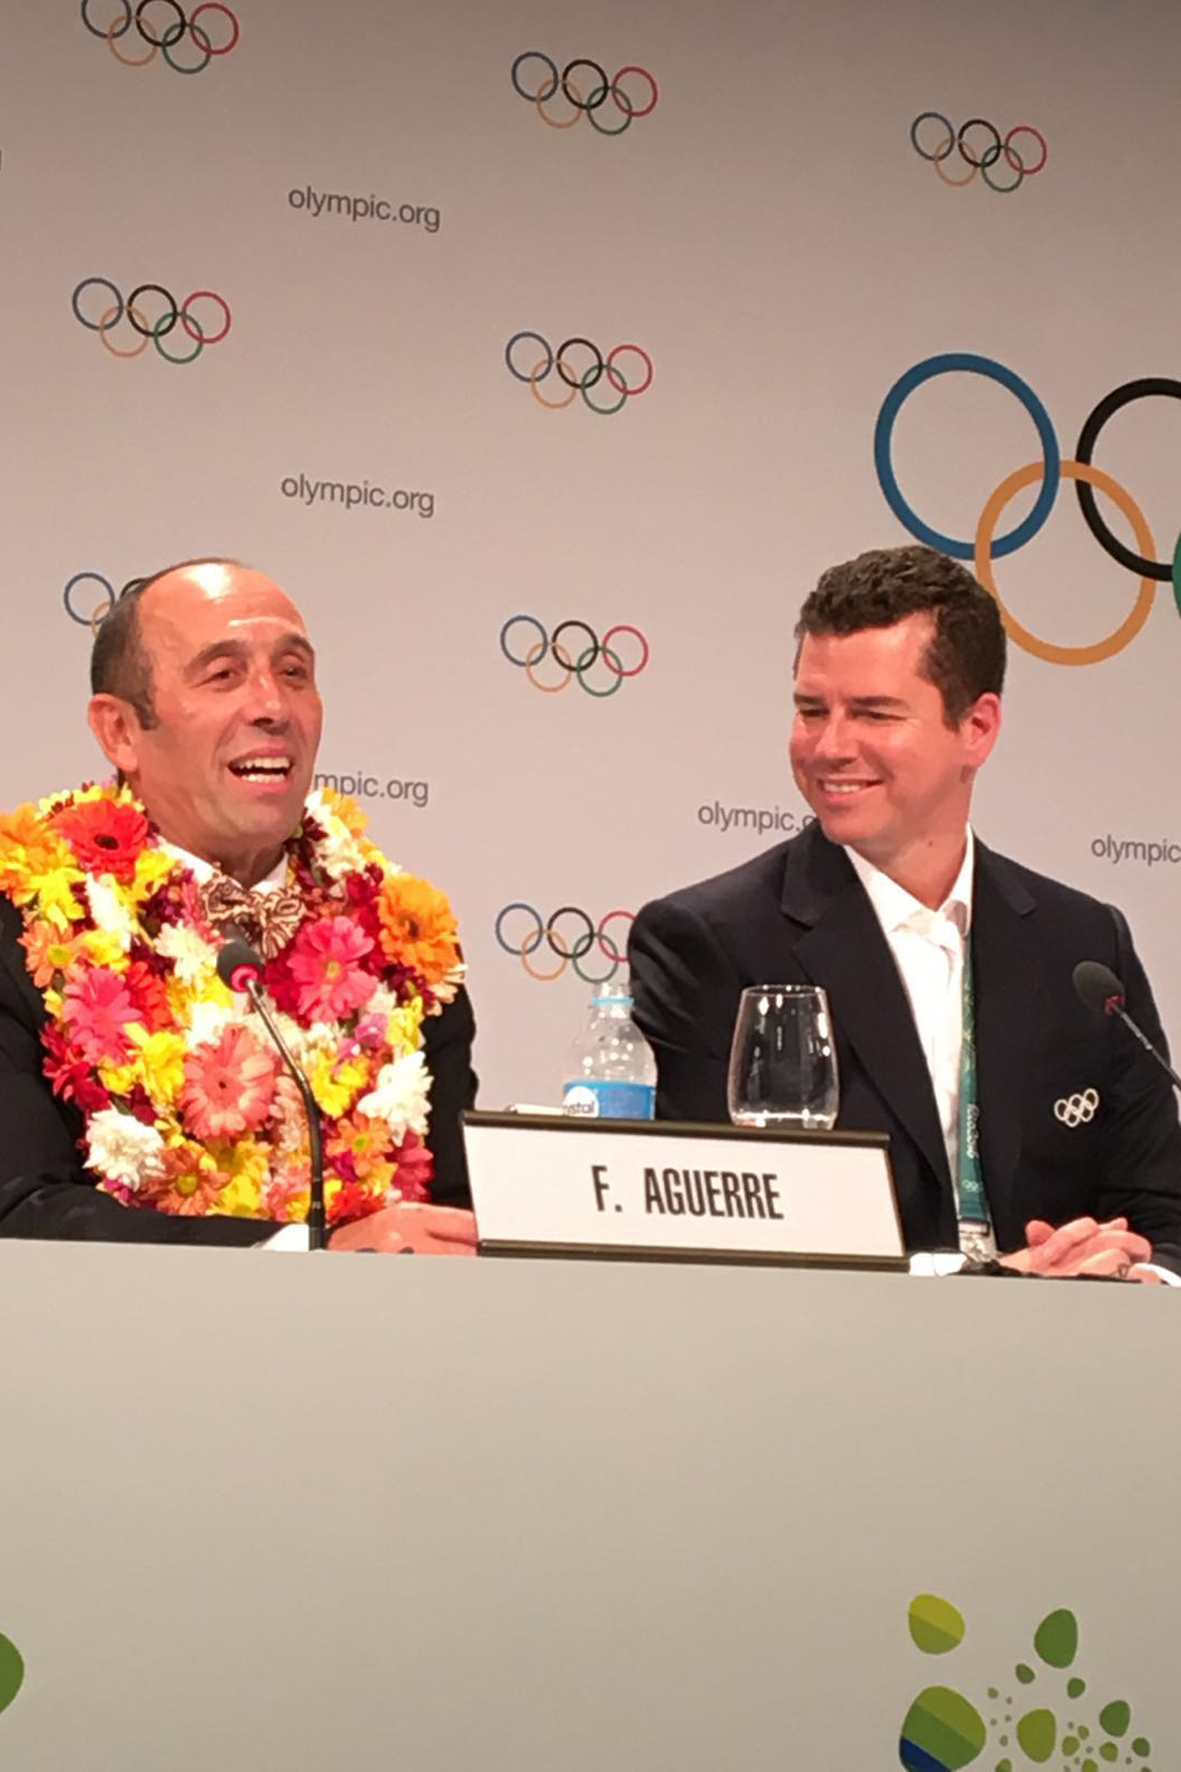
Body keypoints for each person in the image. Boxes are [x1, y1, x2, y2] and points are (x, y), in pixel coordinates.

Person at [628, 545, 1181, 1280]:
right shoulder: (707, 942)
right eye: (809, 711)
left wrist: (1133, 1267)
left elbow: (1162, 1220)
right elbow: (713, 1233)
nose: (828, 747)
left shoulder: (1081, 944)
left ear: (976, 728)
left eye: (873, 714)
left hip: (1064, 1376)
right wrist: (997, 1284)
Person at [0, 559, 477, 1254]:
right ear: (121, 732)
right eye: (222, 675)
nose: (272, 707)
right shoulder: (21, 916)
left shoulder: (403, 935)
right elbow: (19, 1208)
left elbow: (453, 1207)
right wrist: (307, 1254)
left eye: (293, 673)